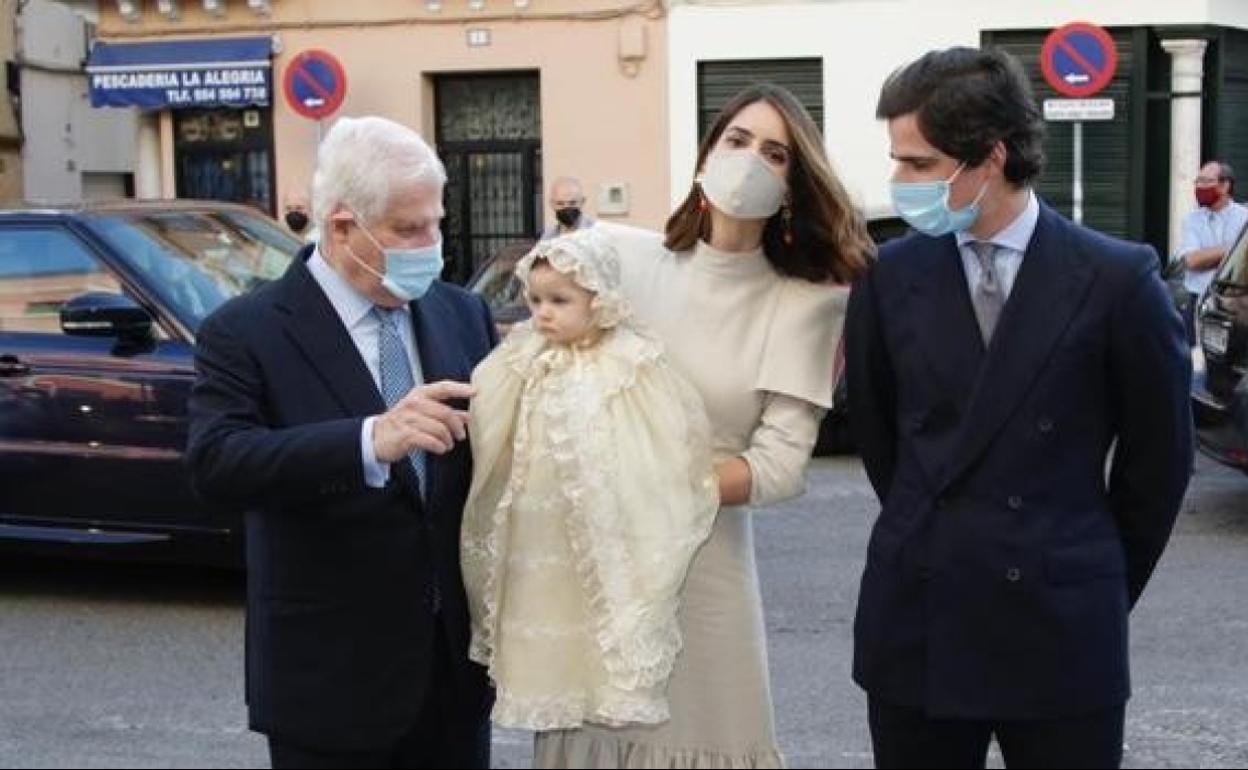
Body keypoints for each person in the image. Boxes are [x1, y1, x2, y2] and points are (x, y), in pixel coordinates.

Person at [846, 47, 1193, 769]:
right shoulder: (888, 275)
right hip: (920, 620)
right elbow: (881, 439)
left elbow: (1158, 466)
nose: (900, 181)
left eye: (920, 163)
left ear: (992, 157)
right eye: (897, 160)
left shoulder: (1116, 279)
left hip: (1061, 628)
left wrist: (1087, 578)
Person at [534, 84, 872, 768]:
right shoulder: (617, 256)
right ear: (706, 155)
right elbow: (546, 367)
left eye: (774, 154)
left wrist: (660, 483)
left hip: (703, 570)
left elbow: (779, 466)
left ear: (793, 186)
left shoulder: (804, 304)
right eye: (737, 140)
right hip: (596, 565)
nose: (749, 161)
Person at [186, 116, 497, 770]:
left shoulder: (460, 312)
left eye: (436, 224)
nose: (431, 245)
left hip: (452, 680)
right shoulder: (245, 331)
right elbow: (218, 463)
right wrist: (368, 440)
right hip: (329, 682)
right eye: (408, 229)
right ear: (342, 227)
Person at [461, 228, 719, 731]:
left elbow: (658, 440)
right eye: (536, 300)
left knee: (602, 606)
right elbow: (488, 419)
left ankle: (605, 687)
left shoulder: (629, 360)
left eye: (560, 301)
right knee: (543, 602)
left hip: (604, 519)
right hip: (535, 524)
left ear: (599, 299)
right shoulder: (521, 355)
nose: (543, 313)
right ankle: (548, 687)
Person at [1176, 160, 1248, 342]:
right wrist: (1236, 249)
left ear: (1225, 186)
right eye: (1198, 181)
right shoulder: (1191, 219)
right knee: (1195, 353)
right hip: (1197, 300)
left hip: (1236, 304)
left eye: (1206, 181)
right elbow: (1192, 261)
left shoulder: (1244, 217)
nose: (1199, 187)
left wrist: (1208, 256)